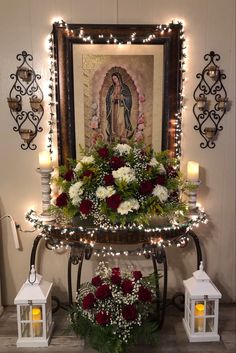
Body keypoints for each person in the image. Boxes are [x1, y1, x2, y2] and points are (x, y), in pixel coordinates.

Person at [106, 72, 133, 142]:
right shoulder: (112, 88)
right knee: (114, 121)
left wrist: (121, 97)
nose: (114, 80)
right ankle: (115, 136)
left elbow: (128, 98)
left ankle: (122, 136)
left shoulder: (124, 87)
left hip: (121, 107)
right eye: (113, 79)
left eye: (115, 78)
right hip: (114, 107)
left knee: (120, 121)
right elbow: (108, 97)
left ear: (119, 78)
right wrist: (112, 97)